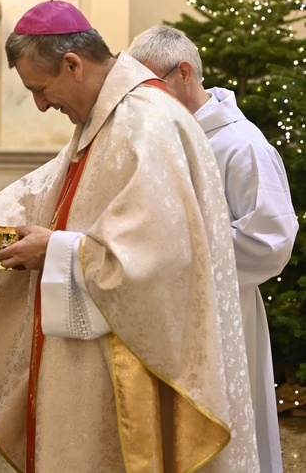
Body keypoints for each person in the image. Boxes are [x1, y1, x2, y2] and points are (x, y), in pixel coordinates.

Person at [0, 0, 259, 472]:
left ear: (73, 63)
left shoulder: (147, 122)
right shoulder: (106, 119)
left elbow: (161, 256)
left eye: (40, 88)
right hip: (90, 353)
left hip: (131, 366)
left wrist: (55, 249)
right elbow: (32, 196)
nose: (40, 105)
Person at [127, 24, 298, 473]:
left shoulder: (242, 145)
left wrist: (176, 249)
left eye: (149, 85)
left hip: (224, 314)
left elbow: (270, 243)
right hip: (174, 311)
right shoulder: (165, 134)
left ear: (183, 72)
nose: (141, 99)